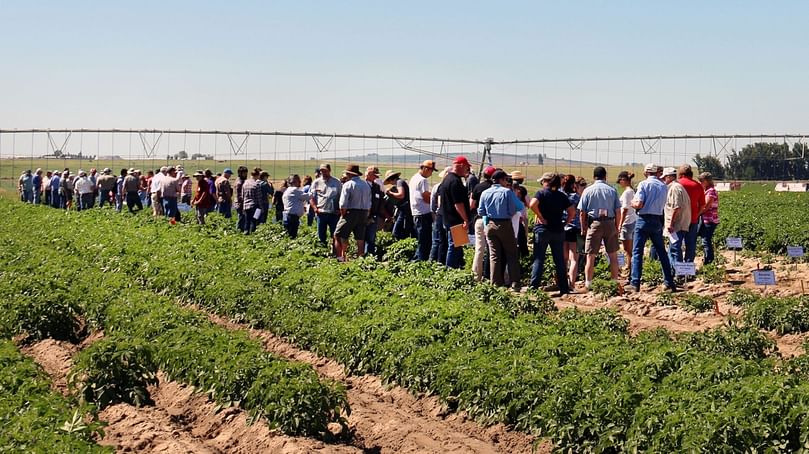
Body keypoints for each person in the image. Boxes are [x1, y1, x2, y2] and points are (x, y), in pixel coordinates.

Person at [629, 163, 676, 292]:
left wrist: (632, 203)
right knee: (662, 252)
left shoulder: (643, 184)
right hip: (657, 220)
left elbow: (639, 203)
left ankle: (635, 282)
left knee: (637, 252)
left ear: (646, 172)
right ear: (657, 173)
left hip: (643, 219)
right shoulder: (663, 186)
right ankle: (668, 281)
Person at [529, 172, 574, 294]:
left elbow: (532, 204)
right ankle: (564, 288)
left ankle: (534, 287)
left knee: (539, 259)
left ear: (546, 182)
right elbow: (572, 212)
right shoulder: (561, 196)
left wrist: (540, 217)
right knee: (559, 260)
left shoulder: (541, 193)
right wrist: (565, 223)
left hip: (543, 229)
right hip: (558, 230)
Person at [578, 166, 622, 290]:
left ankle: (588, 284)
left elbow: (582, 212)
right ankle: (614, 282)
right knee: (613, 255)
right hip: (609, 223)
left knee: (590, 255)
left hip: (594, 223)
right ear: (605, 176)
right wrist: (617, 227)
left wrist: (583, 228)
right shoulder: (612, 190)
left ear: (594, 176)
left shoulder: (588, 190)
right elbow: (618, 211)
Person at [478, 170, 524, 289]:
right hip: (505, 224)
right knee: (511, 254)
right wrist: (510, 212)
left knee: (494, 255)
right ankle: (515, 283)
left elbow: (481, 211)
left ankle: (495, 283)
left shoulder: (485, 193)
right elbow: (519, 206)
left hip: (490, 224)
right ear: (502, 180)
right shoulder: (507, 192)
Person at [438, 156, 472, 268]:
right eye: (467, 168)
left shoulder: (447, 179)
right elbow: (458, 204)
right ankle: (451, 269)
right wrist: (465, 219)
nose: (467, 170)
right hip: (456, 220)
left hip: (447, 218)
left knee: (454, 245)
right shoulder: (455, 182)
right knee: (455, 246)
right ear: (461, 166)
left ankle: (455, 267)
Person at [335, 164, 372, 261]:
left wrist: (343, 215)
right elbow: (369, 202)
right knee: (360, 237)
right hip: (364, 213)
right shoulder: (366, 185)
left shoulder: (348, 184)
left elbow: (343, 203)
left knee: (338, 234)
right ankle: (361, 258)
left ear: (349, 174)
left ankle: (340, 257)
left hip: (351, 212)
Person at [469, 166, 496, 280]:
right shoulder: (495, 189)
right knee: (493, 249)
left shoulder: (478, 187)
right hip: (492, 221)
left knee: (479, 248)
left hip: (479, 219)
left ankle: (476, 276)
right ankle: (491, 275)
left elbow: (472, 205)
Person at [663, 167, 692, 268]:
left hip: (677, 224)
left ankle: (677, 272)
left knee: (675, 249)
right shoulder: (678, 187)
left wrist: (671, 224)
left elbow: (676, 207)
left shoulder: (674, 188)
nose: (664, 180)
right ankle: (676, 271)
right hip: (681, 222)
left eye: (665, 178)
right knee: (674, 248)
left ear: (670, 177)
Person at [409, 160, 437, 261]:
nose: (431, 173)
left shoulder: (414, 178)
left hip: (416, 212)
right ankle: (420, 261)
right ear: (425, 169)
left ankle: (417, 259)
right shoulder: (423, 180)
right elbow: (425, 197)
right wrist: (434, 200)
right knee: (425, 241)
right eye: (431, 170)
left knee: (421, 239)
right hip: (423, 213)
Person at [678, 164, 706, 264]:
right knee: (691, 244)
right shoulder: (697, 185)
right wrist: (697, 214)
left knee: (677, 244)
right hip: (693, 219)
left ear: (680, 174)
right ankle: (688, 266)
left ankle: (678, 267)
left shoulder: (677, 184)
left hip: (679, 220)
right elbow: (703, 205)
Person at [310, 163, 342, 248]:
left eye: (325, 171)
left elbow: (342, 196)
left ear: (329, 171)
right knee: (321, 235)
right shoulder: (316, 182)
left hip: (334, 213)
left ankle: (335, 252)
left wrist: (340, 210)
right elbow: (311, 197)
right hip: (321, 213)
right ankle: (322, 251)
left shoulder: (337, 182)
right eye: (322, 171)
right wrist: (315, 208)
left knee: (335, 234)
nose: (323, 173)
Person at [561, 175, 584, 288]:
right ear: (573, 184)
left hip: (562, 228)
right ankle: (572, 283)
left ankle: (562, 282)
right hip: (577, 229)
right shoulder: (577, 197)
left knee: (563, 258)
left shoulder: (560, 196)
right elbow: (581, 212)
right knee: (575, 258)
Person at [429, 167, 451, 263]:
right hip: (443, 216)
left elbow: (432, 203)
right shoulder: (443, 187)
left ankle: (434, 261)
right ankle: (438, 261)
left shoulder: (437, 186)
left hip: (438, 215)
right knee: (443, 241)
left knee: (437, 240)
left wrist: (434, 213)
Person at [384, 170, 414, 240]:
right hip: (403, 209)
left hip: (404, 210)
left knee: (396, 231)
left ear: (391, 179)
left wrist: (391, 193)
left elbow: (401, 195)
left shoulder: (399, 182)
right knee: (403, 229)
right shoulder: (400, 182)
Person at [616, 171, 636, 273]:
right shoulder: (631, 191)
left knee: (627, 248)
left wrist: (620, 223)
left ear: (624, 180)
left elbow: (624, 209)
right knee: (630, 247)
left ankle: (629, 267)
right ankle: (630, 266)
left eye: (620, 181)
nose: (620, 183)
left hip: (627, 222)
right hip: (632, 220)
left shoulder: (627, 192)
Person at [699, 172, 720, 265]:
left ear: (707, 181)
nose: (700, 183)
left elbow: (706, 206)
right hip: (707, 219)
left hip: (709, 219)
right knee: (705, 239)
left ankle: (709, 260)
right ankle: (708, 259)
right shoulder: (707, 190)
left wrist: (697, 214)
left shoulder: (711, 191)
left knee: (706, 240)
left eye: (701, 181)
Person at [364, 166, 385, 257]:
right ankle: (363, 256)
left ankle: (370, 256)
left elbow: (380, 200)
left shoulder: (376, 187)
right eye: (375, 175)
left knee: (371, 238)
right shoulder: (363, 185)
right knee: (362, 237)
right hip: (363, 216)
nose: (376, 178)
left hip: (374, 216)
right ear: (368, 174)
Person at [241, 168, 262, 234]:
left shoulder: (245, 183)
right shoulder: (256, 185)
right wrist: (261, 207)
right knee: (254, 220)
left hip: (246, 205)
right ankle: (253, 234)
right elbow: (259, 198)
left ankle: (246, 232)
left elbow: (242, 195)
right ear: (257, 175)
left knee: (247, 220)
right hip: (255, 206)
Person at [234, 166, 249, 231]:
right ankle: (239, 231)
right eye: (244, 173)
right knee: (241, 218)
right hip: (240, 203)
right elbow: (239, 195)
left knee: (242, 217)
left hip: (238, 202)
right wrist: (243, 203)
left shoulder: (239, 180)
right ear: (240, 173)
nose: (246, 175)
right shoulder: (240, 183)